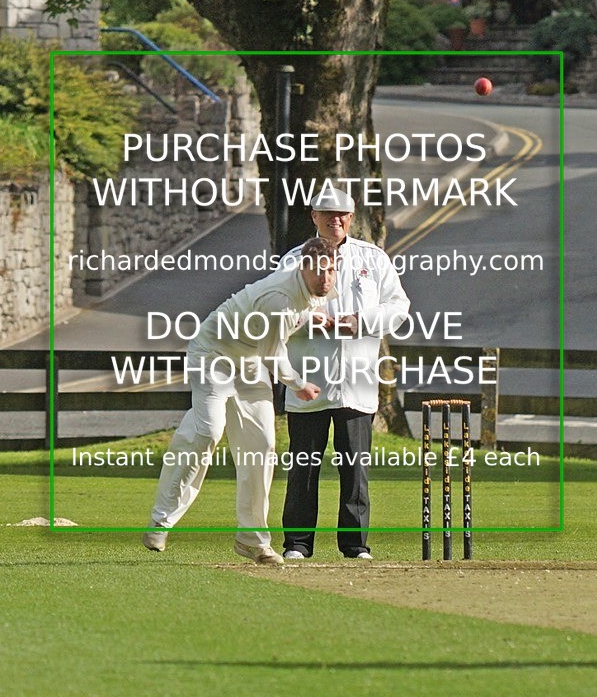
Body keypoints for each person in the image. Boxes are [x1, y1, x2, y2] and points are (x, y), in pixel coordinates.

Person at [143, 237, 338, 564]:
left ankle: (252, 539)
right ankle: (161, 521)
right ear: (303, 268)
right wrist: (299, 384)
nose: (326, 278)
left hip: (248, 364)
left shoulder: (315, 288)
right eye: (319, 271)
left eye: (331, 270)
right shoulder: (279, 299)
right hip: (213, 355)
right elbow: (274, 357)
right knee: (207, 433)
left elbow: (298, 315)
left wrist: (310, 317)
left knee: (262, 446)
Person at [282, 187, 410, 560]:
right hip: (309, 380)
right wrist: (309, 319)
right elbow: (276, 309)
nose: (334, 220)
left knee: (354, 468)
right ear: (314, 216)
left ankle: (355, 546)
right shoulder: (293, 260)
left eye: (341, 214)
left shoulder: (374, 259)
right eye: (327, 213)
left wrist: (358, 321)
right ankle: (297, 544)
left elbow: (398, 306)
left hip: (357, 382)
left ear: (351, 218)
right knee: (304, 467)